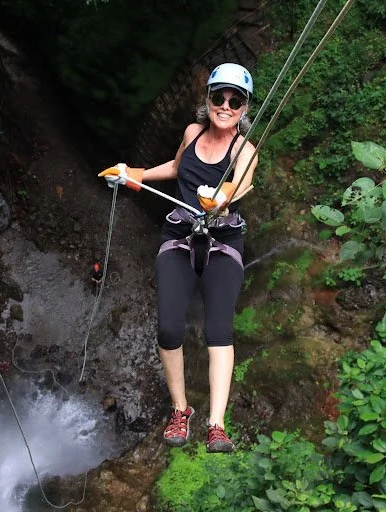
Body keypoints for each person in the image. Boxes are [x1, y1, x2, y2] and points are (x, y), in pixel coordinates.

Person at [99, 63, 258, 453]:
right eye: (218, 96)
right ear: (207, 99)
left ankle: (216, 424)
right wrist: (132, 173)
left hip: (222, 242)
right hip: (180, 235)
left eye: (234, 100)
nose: (225, 105)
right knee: (169, 329)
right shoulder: (192, 132)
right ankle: (180, 410)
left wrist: (221, 199)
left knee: (217, 330)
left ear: (244, 108)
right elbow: (175, 167)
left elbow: (242, 184)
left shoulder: (245, 149)